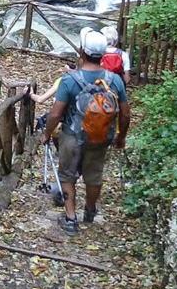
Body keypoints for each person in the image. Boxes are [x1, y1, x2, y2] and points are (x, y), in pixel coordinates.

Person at [39, 29, 131, 235]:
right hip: (101, 136)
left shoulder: (69, 80)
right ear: (103, 54)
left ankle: (71, 219)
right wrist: (121, 137)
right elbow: (125, 114)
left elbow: (55, 114)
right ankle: (90, 211)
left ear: (81, 51)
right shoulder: (114, 80)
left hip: (72, 135)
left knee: (67, 175)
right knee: (94, 175)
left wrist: (47, 133)